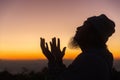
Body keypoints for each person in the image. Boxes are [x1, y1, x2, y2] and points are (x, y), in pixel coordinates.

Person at [40, 14, 115, 80]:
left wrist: (51, 60)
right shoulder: (99, 57)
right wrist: (58, 60)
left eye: (84, 25)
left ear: (92, 35)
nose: (78, 28)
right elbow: (68, 76)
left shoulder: (90, 60)